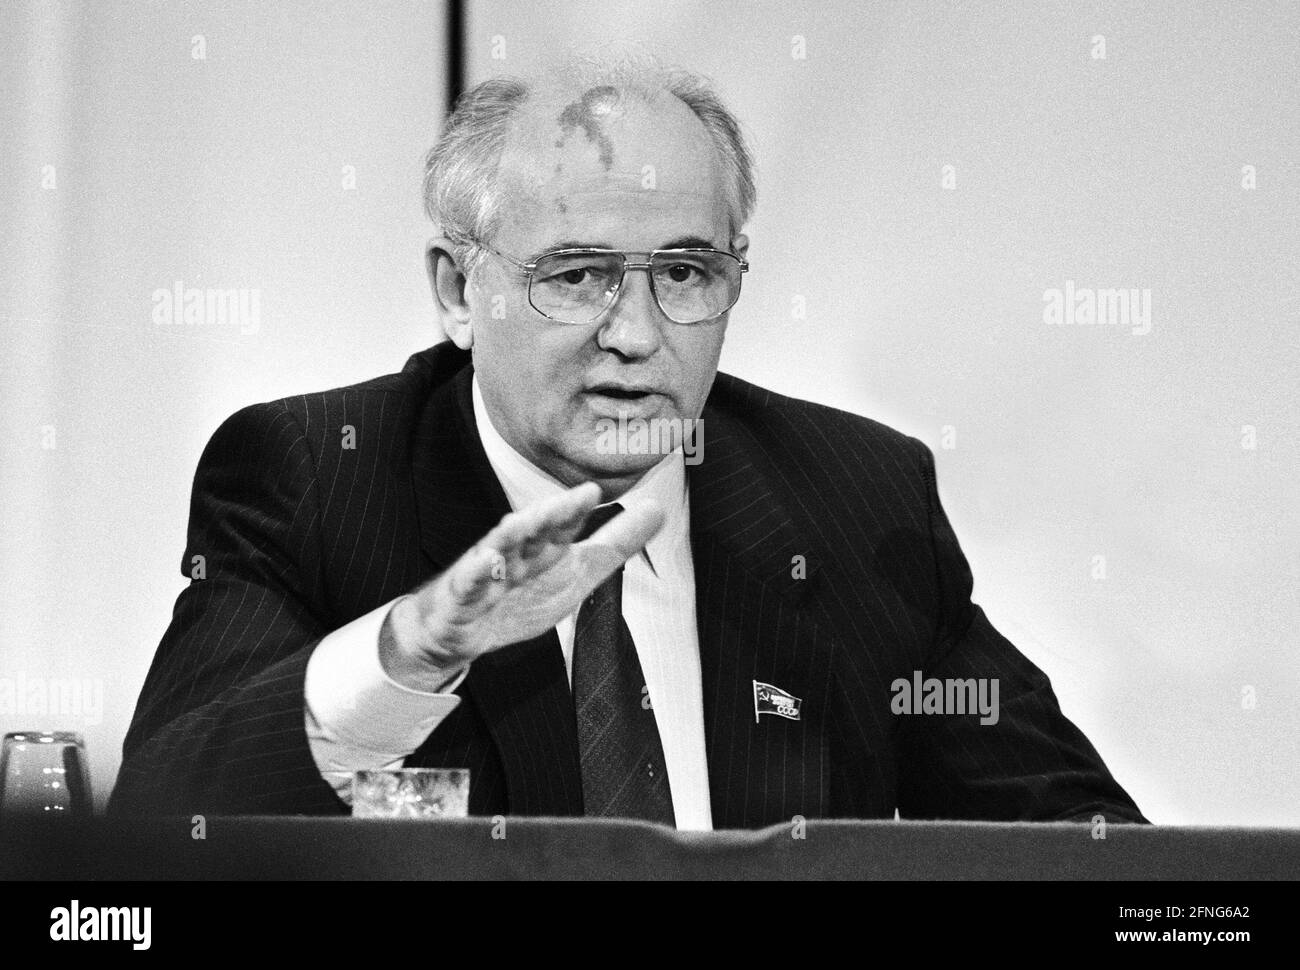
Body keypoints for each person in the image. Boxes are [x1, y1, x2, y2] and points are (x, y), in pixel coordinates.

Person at [110, 57, 1146, 828]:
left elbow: (1089, 853)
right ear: (456, 292)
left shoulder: (854, 498)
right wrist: (408, 655)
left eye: (685, 273)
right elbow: (157, 837)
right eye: (577, 275)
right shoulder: (315, 478)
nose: (637, 334)